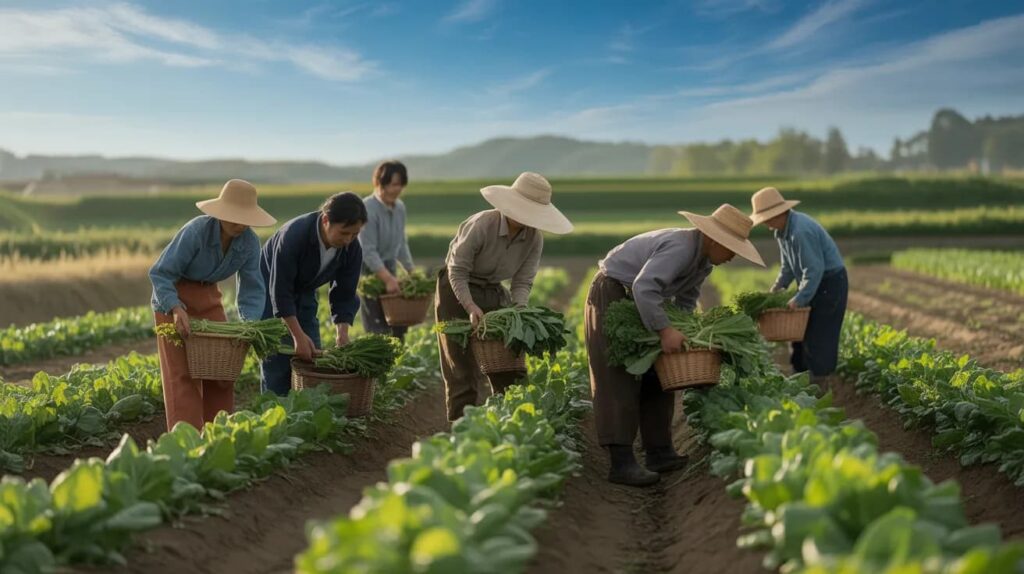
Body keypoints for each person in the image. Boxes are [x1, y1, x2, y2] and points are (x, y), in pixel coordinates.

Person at [586, 204, 765, 487]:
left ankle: (659, 451)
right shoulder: (680, 248)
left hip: (638, 298)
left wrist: (686, 330)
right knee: (617, 373)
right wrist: (665, 329)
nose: (732, 257)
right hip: (613, 292)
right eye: (732, 249)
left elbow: (685, 300)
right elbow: (644, 286)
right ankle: (621, 463)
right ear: (715, 240)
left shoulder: (703, 261)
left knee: (657, 372)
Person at [436, 172, 573, 422]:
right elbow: (457, 270)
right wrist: (469, 305)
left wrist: (518, 312)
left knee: (509, 362)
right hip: (457, 288)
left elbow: (523, 281)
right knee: (461, 367)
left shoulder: (534, 239)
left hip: (493, 289)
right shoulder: (482, 225)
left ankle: (510, 421)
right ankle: (460, 428)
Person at [149, 179, 276, 431]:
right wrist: (175, 309)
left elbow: (252, 287)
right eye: (234, 217)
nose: (240, 224)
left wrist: (249, 325)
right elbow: (160, 273)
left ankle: (217, 433)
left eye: (245, 219)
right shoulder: (196, 231)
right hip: (173, 297)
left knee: (221, 372)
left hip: (209, 299)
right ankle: (187, 439)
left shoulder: (249, 243)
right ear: (221, 213)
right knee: (182, 375)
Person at [259, 192, 367, 396]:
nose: (348, 240)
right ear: (326, 220)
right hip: (269, 290)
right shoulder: (294, 235)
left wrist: (342, 333)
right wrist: (297, 335)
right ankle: (273, 414)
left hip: (306, 290)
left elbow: (344, 293)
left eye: (354, 234)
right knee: (277, 357)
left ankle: (305, 416)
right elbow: (280, 293)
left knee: (310, 359)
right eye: (344, 233)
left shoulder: (351, 248)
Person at [749, 186, 847, 385]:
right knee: (800, 336)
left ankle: (819, 388)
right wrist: (776, 290)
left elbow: (814, 270)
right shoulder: (782, 231)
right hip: (813, 282)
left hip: (829, 284)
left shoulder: (800, 231)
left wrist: (800, 299)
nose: (765, 223)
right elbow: (787, 268)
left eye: (766, 218)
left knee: (819, 337)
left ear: (777, 213)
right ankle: (800, 384)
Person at [359, 160, 414, 340]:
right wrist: (388, 279)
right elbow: (368, 251)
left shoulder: (400, 208)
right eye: (392, 184)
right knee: (377, 327)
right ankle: (380, 365)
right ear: (379, 183)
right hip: (369, 271)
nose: (396, 189)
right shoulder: (367, 208)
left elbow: (401, 243)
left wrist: (411, 271)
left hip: (389, 266)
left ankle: (398, 363)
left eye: (400, 185)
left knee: (398, 323)